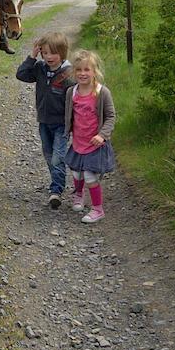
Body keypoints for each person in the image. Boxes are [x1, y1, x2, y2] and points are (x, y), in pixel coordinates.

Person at [16, 33, 75, 209]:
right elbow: (21, 75)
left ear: (62, 53)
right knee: (49, 155)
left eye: (53, 53)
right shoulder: (40, 68)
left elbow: (75, 101)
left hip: (61, 124)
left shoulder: (68, 74)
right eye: (45, 53)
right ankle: (56, 182)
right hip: (44, 121)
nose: (49, 57)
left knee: (58, 156)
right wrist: (32, 56)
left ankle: (56, 190)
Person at [64, 49, 116, 223]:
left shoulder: (102, 93)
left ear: (95, 71)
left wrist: (102, 135)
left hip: (95, 144)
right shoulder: (72, 92)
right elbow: (69, 115)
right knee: (76, 173)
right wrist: (66, 132)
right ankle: (79, 195)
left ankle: (97, 209)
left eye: (87, 70)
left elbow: (111, 116)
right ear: (73, 72)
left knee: (90, 176)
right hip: (78, 141)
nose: (82, 73)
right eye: (78, 70)